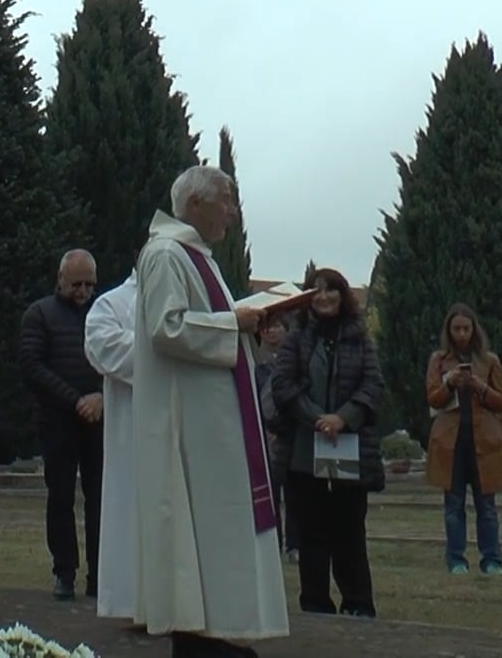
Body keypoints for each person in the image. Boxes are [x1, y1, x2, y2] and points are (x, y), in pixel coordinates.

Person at [89, 164, 289, 657]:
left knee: (213, 530)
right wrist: (234, 322)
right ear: (195, 203)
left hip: (212, 423)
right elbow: (167, 328)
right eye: (227, 200)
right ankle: (196, 638)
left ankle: (213, 630)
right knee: (194, 529)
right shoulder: (165, 254)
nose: (233, 212)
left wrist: (248, 326)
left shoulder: (197, 256)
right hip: (188, 425)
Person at [269, 266, 385, 618]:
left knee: (350, 532)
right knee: (312, 534)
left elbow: (373, 386)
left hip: (349, 448)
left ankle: (358, 604)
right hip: (304, 450)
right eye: (315, 289)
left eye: (330, 289)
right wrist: (317, 418)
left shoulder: (360, 338)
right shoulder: (296, 337)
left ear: (342, 294)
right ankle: (315, 604)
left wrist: (343, 418)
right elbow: (283, 385)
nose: (323, 296)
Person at [20, 248, 104, 601]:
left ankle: (100, 575)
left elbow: (122, 360)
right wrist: (75, 400)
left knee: (101, 499)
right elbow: (32, 366)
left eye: (89, 284)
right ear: (60, 280)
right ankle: (64, 573)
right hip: (57, 420)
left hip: (100, 419)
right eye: (76, 284)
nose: (83, 291)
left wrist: (101, 396)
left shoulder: (105, 314)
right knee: (60, 498)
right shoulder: (40, 314)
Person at [424, 304, 502, 576]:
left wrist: (480, 386)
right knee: (453, 506)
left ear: (474, 330)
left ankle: (492, 560)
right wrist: (449, 383)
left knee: (486, 506)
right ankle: (456, 560)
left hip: (484, 444)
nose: (462, 334)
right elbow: (433, 399)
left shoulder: (489, 361)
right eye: (457, 329)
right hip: (450, 443)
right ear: (449, 331)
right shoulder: (438, 360)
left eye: (466, 329)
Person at [254, 311, 297, 560]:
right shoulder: (255, 361)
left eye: (276, 325)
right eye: (266, 327)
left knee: (294, 493)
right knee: (269, 493)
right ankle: (274, 544)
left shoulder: (295, 360)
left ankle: (294, 544)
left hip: (291, 432)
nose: (271, 331)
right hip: (265, 435)